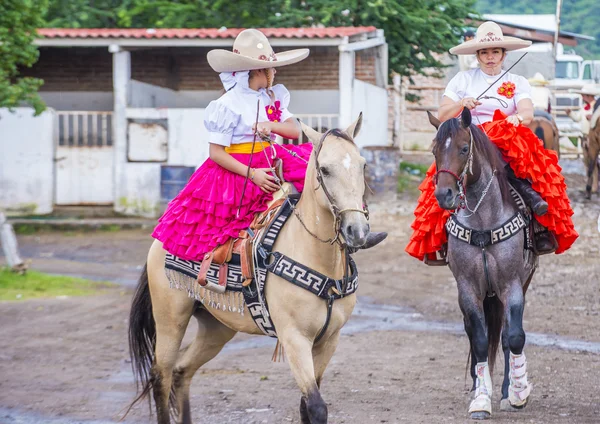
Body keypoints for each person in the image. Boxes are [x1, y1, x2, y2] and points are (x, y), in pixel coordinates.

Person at [152, 29, 386, 261]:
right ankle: (233, 263)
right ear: (257, 71)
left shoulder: (272, 96)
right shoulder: (226, 104)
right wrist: (252, 175)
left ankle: (356, 226)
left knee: (328, 171)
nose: (275, 71)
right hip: (239, 167)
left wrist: (271, 126)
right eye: (271, 67)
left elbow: (294, 130)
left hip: (272, 156)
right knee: (228, 223)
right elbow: (215, 153)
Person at [406, 21, 578, 262]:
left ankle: (538, 222)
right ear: (477, 55)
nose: (490, 57)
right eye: (484, 52)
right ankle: (442, 239)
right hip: (468, 137)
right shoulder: (462, 80)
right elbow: (443, 115)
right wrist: (462, 104)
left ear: (503, 55)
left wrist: (512, 121)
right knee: (444, 172)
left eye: (495, 52)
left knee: (527, 162)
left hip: (504, 134)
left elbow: (528, 113)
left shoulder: (517, 81)